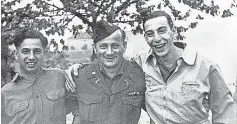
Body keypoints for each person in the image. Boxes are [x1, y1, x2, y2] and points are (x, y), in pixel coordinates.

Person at [67, 11, 237, 124]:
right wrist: (78, 67)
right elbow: (112, 60)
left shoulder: (206, 67)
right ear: (145, 38)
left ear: (173, 31)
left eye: (162, 30)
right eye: (150, 34)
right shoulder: (141, 63)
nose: (157, 38)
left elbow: (225, 113)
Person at [66, 20, 146, 124]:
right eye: (103, 46)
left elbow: (159, 111)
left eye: (115, 46)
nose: (109, 52)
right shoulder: (79, 76)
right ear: (95, 48)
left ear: (124, 46)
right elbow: (53, 112)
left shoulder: (139, 75)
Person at [1, 28, 67, 124]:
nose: (31, 57)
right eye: (25, 51)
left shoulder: (59, 77)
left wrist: (78, 66)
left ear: (44, 53)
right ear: (16, 54)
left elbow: (79, 107)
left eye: (37, 51)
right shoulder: (5, 93)